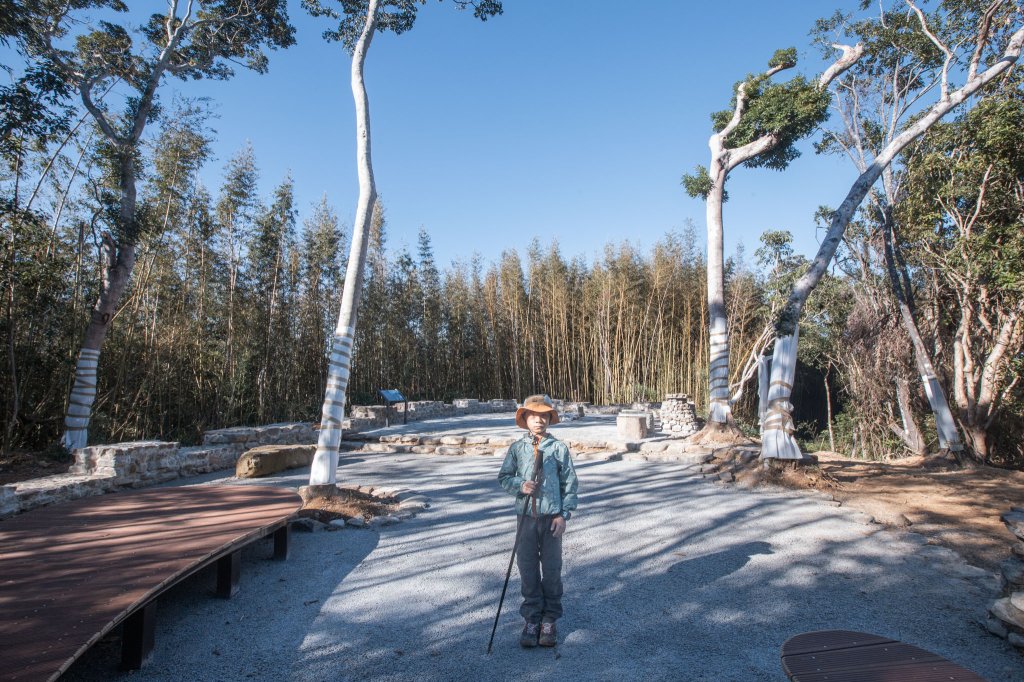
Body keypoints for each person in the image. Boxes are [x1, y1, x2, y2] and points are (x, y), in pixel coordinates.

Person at [497, 394, 579, 648]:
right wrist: (520, 485)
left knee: (552, 571)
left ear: (549, 419)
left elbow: (570, 484)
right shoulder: (517, 448)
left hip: (551, 519)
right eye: (534, 415)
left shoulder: (558, 448)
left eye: (544, 415)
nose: (539, 420)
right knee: (528, 570)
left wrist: (563, 515)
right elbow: (504, 477)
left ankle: (550, 620)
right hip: (525, 520)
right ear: (525, 418)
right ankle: (532, 619)